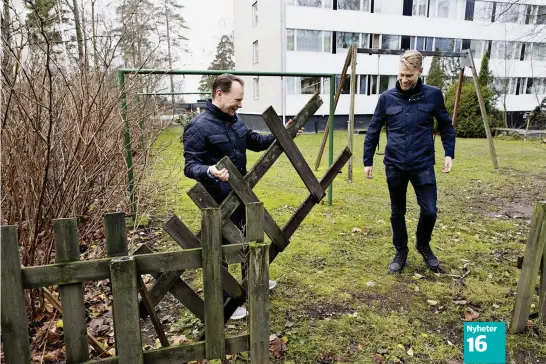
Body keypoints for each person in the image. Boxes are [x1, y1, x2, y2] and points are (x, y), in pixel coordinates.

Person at [183, 73, 303, 319]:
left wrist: (283, 133)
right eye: (237, 99)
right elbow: (190, 166)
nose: (240, 104)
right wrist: (210, 171)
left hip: (242, 194)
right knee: (220, 247)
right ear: (219, 93)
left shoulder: (235, 121)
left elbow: (257, 141)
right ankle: (226, 299)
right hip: (216, 199)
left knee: (249, 236)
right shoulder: (198, 126)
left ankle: (252, 282)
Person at [363, 50, 456, 274]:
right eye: (401, 75)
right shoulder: (386, 98)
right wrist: (368, 160)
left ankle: (422, 244)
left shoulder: (433, 95)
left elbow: (445, 125)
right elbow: (373, 129)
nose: (404, 80)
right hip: (395, 164)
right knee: (398, 211)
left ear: (420, 72)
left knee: (430, 211)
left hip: (422, 163)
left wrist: (448, 153)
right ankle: (401, 250)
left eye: (410, 76)